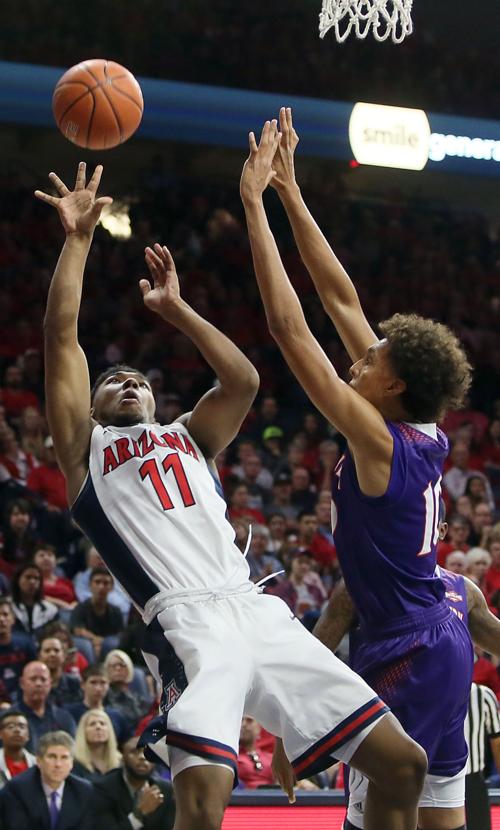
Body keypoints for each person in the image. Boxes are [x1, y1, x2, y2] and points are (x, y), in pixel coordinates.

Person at [37, 162, 426, 830]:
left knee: (403, 764)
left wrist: (178, 310)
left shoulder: (189, 437)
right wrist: (77, 241)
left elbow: (242, 380)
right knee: (204, 803)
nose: (129, 384)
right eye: (114, 382)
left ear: (157, 401)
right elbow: (61, 337)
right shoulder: (84, 450)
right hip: (187, 624)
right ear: (93, 407)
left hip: (255, 608)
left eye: (139, 381)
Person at [240, 113, 473, 830]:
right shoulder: (416, 422)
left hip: (406, 648)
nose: (359, 357)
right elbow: (340, 298)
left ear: (393, 385)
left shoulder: (379, 441)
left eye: (372, 359)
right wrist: (290, 191)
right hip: (439, 638)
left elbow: (290, 330)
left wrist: (253, 206)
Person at [0, 730, 93, 829]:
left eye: (64, 757)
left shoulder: (84, 791)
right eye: (52, 757)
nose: (58, 764)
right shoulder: (17, 790)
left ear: (72, 763)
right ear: (38, 761)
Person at [93, 735, 175, 830]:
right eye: (135, 752)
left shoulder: (166, 789)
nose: (142, 757)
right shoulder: (103, 788)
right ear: (123, 757)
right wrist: (139, 813)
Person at [13, 661, 76, 752]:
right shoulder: (8, 718)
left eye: (43, 679)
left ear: (50, 683)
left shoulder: (64, 718)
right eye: (33, 679)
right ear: (22, 683)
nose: (38, 684)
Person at [465, 683, 500, 830]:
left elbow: (497, 741)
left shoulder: (483, 694)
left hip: (472, 779)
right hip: (438, 780)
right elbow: (497, 742)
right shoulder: (482, 694)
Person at [70, 567, 124, 661]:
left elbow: (120, 634)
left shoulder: (116, 611)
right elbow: (77, 630)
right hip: (87, 645)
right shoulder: (80, 608)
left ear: (111, 587)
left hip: (108, 647)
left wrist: (103, 643)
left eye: (106, 583)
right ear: (90, 585)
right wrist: (97, 640)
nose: (101, 587)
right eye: (97, 582)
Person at [67, 664, 129, 745]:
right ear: (82, 684)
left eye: (103, 683)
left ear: (108, 685)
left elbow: (125, 745)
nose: (98, 688)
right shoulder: (69, 713)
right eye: (93, 682)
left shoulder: (117, 716)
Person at [0, 597, 36, 704]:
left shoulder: (26, 643)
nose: (1, 619)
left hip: (25, 699)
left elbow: (34, 674)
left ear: (13, 619)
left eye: (5, 614)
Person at [10, 562, 59, 636]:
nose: (32, 582)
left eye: (36, 578)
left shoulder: (51, 610)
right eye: (28, 577)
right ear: (18, 580)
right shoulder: (7, 607)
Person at [72, 709, 121, 782]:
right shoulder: (74, 763)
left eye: (102, 723)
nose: (98, 727)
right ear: (83, 732)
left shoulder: (120, 762)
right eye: (92, 724)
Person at [38, 635, 82, 706]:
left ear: (64, 655)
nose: (52, 654)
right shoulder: (34, 684)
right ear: (39, 656)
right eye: (47, 651)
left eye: (56, 650)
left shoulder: (74, 683)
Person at [237, 716, 275, 789]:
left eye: (249, 721)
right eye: (240, 721)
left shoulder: (271, 758)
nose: (243, 724)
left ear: (259, 728)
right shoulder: (231, 757)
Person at [0, 710, 35, 787]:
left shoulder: (37, 764)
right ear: (0, 734)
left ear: (28, 735)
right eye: (11, 727)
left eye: (22, 727)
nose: (17, 730)